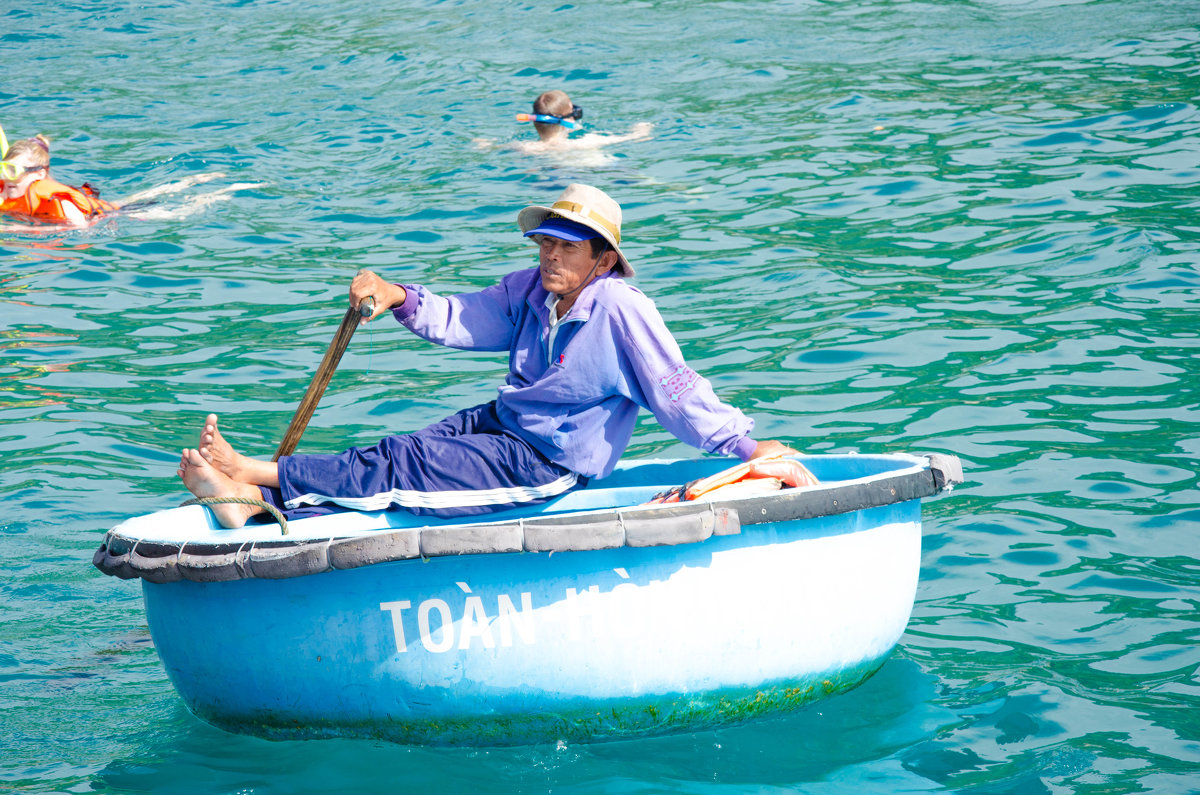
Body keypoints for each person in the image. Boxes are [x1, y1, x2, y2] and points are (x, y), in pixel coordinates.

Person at [178, 183, 797, 528]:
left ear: (603, 260)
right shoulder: (529, 289)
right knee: (399, 450)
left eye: (569, 248)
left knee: (406, 467)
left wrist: (744, 447)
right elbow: (461, 317)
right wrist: (395, 294)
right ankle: (259, 508)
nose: (552, 257)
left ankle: (253, 475)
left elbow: (675, 388)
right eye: (546, 243)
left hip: (547, 462)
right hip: (504, 423)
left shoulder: (620, 308)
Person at [475, 90, 652, 157]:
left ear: (534, 122)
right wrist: (641, 129)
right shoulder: (587, 141)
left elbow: (492, 147)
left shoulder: (524, 147)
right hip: (596, 172)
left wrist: (484, 144)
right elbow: (635, 137)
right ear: (570, 118)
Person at [0, 128, 118, 225]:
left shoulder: (59, 202)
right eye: (4, 169)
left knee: (121, 206)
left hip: (108, 213)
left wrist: (21, 230)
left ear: (39, 174)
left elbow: (83, 230)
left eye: (14, 171)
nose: (6, 176)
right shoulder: (4, 193)